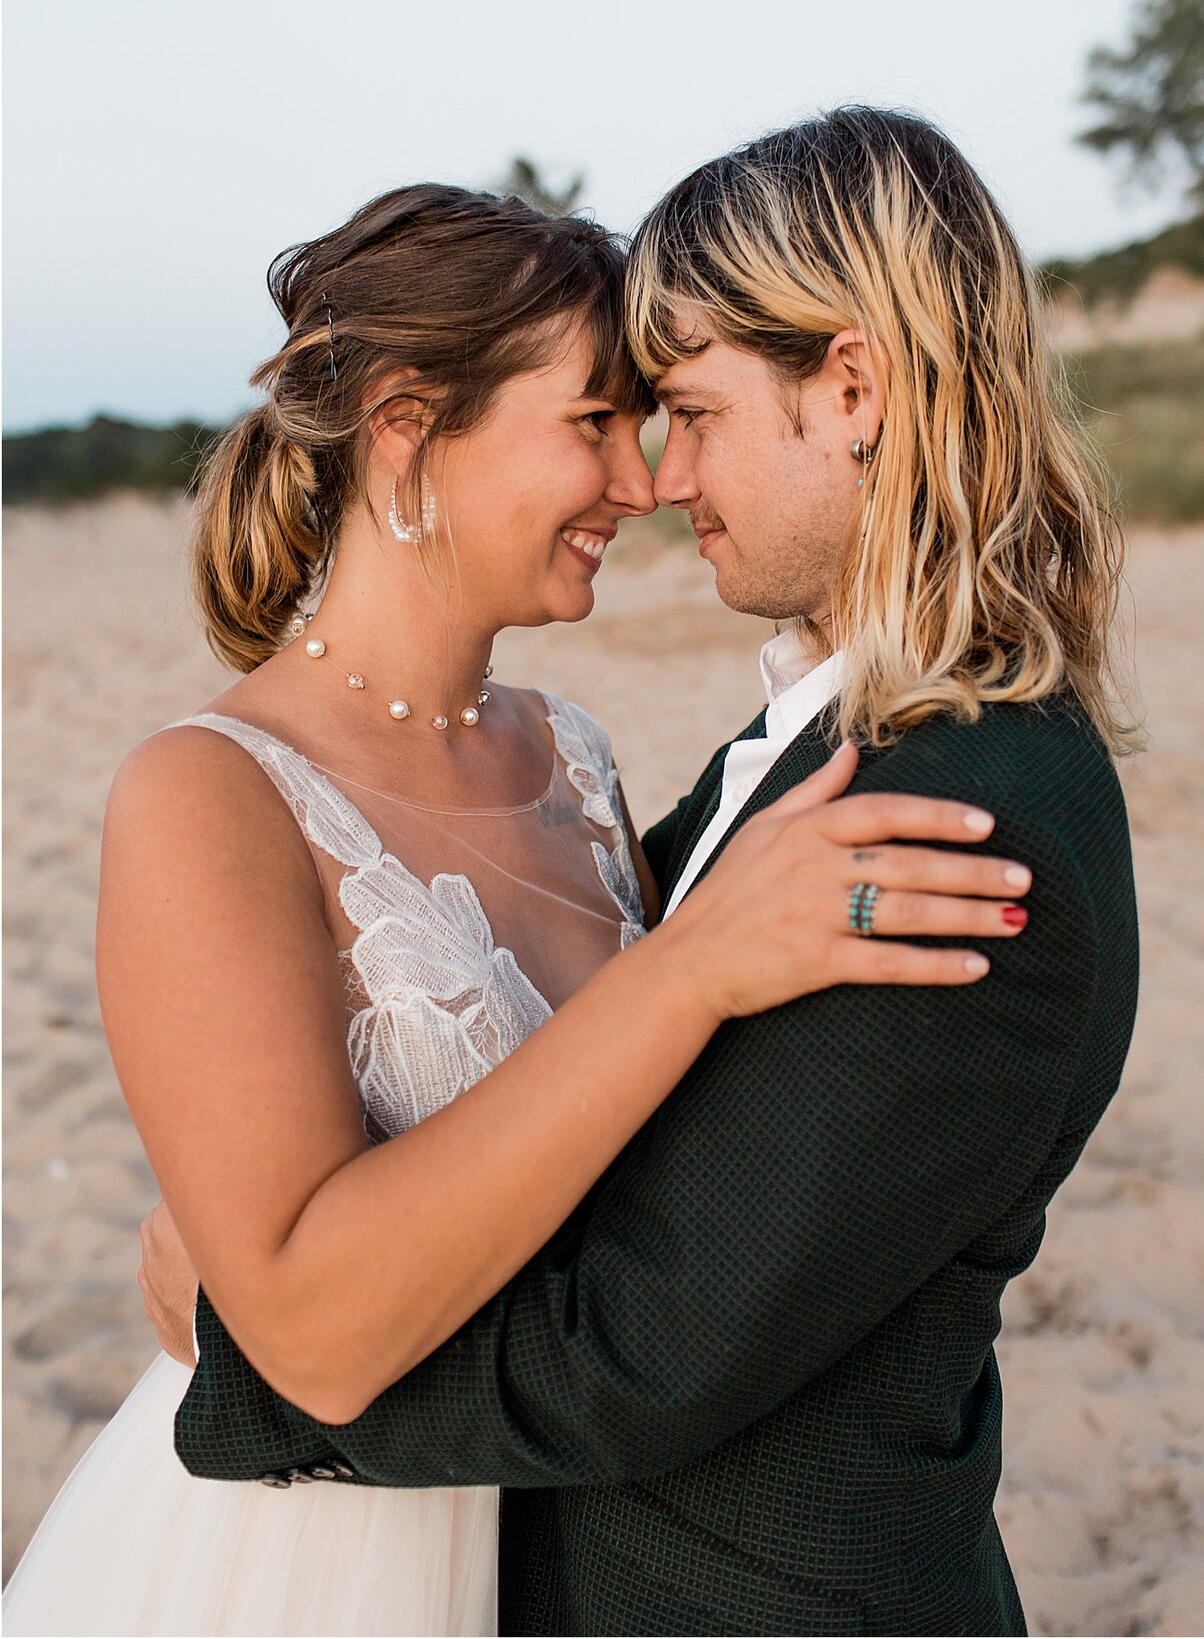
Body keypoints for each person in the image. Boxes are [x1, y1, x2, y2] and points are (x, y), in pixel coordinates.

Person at [153, 108, 1141, 1637]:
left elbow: (640, 1338)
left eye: (685, 410)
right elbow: (599, 1016)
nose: (662, 477)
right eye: (612, 419)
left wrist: (246, 1332)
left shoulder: (965, 819)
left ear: (856, 390)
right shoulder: (827, 749)